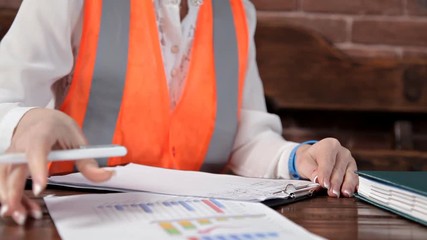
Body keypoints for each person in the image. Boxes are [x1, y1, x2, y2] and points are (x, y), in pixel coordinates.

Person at [0, 0, 358, 225]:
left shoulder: (237, 11)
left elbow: (246, 137)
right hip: (73, 217)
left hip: (200, 220)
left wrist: (297, 157)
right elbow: (6, 99)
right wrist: (25, 121)